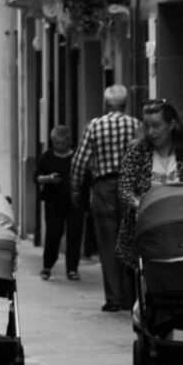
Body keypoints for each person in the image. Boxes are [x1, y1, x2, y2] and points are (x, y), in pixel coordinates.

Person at [117, 98, 183, 365]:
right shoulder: (137, 153)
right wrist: (137, 204)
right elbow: (124, 188)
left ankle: (182, 356)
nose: (151, 132)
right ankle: (154, 345)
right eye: (146, 126)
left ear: (172, 124)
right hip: (150, 236)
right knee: (154, 293)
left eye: (156, 125)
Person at [69, 84, 142, 313]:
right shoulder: (136, 125)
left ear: (105, 104)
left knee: (108, 243)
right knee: (129, 241)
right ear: (126, 103)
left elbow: (80, 160)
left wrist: (75, 188)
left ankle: (113, 298)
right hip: (130, 187)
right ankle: (131, 298)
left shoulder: (95, 125)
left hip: (104, 188)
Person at [35, 125, 83, 281]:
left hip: (74, 200)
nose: (60, 146)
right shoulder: (47, 157)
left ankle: (72, 269)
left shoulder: (76, 156)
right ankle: (47, 266)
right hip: (53, 200)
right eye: (56, 142)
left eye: (62, 142)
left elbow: (85, 176)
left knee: (74, 234)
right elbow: (37, 178)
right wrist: (49, 178)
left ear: (68, 141)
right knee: (53, 233)